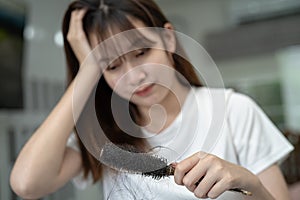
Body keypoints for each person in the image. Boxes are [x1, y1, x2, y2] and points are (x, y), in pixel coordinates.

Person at [10, 0, 294, 199]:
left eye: (142, 52)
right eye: (111, 66)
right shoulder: (103, 137)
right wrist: (86, 72)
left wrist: (248, 182)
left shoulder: (235, 111)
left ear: (168, 39)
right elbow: (26, 184)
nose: (134, 77)